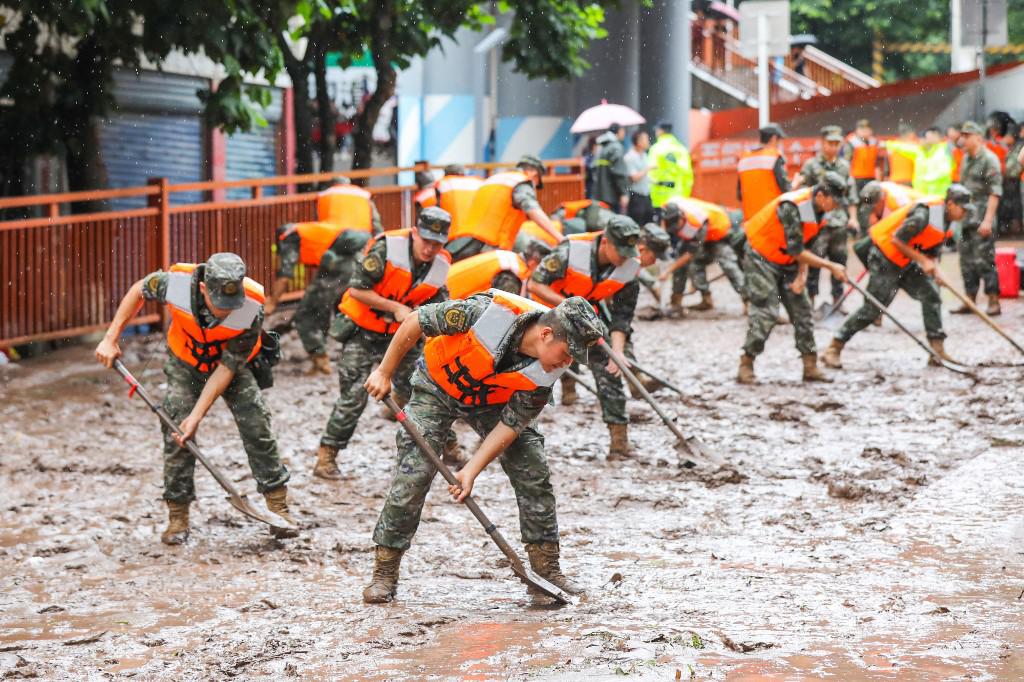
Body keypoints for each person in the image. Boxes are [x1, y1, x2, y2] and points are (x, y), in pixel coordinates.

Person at [360, 293, 607, 604]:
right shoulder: (482, 314)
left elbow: (511, 425)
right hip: (437, 385)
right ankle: (384, 571)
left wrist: (470, 470)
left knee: (531, 464)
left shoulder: (548, 370)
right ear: (546, 334)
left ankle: (546, 570)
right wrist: (384, 372)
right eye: (567, 352)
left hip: (490, 401)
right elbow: (415, 320)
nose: (568, 362)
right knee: (415, 472)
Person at [94, 253, 296, 544]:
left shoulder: (249, 307)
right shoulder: (175, 285)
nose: (227, 312)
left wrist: (198, 415)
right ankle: (178, 516)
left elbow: (227, 367)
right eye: (220, 305)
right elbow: (139, 289)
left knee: (256, 422)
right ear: (204, 289)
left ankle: (279, 508)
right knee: (177, 428)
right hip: (185, 361)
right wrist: (111, 337)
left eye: (232, 305)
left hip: (227, 366)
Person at [313, 208, 453, 480]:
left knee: (424, 389)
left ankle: (449, 446)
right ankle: (326, 456)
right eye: (426, 242)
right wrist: (396, 307)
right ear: (415, 233)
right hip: (363, 331)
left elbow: (440, 304)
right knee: (354, 396)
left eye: (437, 244)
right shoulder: (385, 249)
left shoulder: (441, 265)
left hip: (402, 335)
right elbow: (356, 289)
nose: (430, 249)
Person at [529, 216, 663, 459]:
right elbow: (535, 285)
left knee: (610, 369)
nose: (624, 258)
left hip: (587, 322)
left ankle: (619, 442)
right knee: (529, 379)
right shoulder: (570, 251)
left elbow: (623, 315)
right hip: (545, 318)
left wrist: (619, 351)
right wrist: (571, 307)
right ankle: (506, 436)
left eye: (628, 252)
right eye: (620, 251)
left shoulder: (630, 267)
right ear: (605, 243)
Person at [822, 185, 971, 369]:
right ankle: (834, 347)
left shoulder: (946, 220)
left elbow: (930, 248)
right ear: (950, 204)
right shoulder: (925, 213)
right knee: (872, 309)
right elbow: (897, 239)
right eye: (962, 208)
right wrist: (923, 261)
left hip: (906, 260)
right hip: (885, 258)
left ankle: (937, 350)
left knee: (931, 294)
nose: (964, 213)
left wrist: (935, 269)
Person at [738, 172, 849, 384]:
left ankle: (810, 366)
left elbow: (804, 244)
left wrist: (802, 276)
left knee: (803, 312)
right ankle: (746, 364)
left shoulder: (817, 211)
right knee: (766, 313)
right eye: (834, 201)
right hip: (762, 257)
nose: (836, 207)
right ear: (821, 196)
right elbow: (797, 249)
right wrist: (830, 266)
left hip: (787, 261)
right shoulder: (793, 206)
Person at [266, 178, 383, 374]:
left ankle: (321, 360)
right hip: (363, 254)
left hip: (339, 261)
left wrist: (272, 301)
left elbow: (285, 273)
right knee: (346, 308)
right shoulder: (361, 197)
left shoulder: (291, 236)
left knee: (307, 315)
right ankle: (363, 356)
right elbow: (378, 230)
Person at [447, 155, 563, 261]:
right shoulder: (521, 182)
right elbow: (532, 209)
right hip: (488, 248)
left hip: (463, 245)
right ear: (533, 173)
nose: (535, 187)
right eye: (537, 182)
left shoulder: (494, 179)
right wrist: (560, 238)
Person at [794, 125, 858, 309]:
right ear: (822, 143)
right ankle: (811, 301)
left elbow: (851, 194)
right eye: (830, 143)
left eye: (837, 143)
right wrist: (808, 223)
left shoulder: (844, 167)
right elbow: (804, 194)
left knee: (839, 262)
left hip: (839, 223)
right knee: (814, 262)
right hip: (817, 225)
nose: (834, 147)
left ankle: (838, 301)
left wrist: (852, 218)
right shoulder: (811, 165)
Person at [657, 197, 748, 313]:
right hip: (697, 234)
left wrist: (667, 271)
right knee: (690, 265)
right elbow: (663, 225)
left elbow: (690, 254)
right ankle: (679, 300)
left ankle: (748, 301)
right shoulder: (668, 208)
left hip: (719, 233)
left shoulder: (697, 221)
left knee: (728, 264)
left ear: (681, 216)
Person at [952, 120, 1003, 316]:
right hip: (966, 219)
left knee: (985, 260)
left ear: (978, 138)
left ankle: (993, 300)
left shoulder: (989, 159)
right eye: (962, 136)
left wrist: (988, 220)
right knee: (966, 262)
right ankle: (970, 300)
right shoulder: (966, 159)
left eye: (967, 136)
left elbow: (995, 192)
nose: (963, 139)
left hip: (982, 218)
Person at [446, 240, 552, 300]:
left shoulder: (508, 258)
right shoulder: (514, 275)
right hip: (448, 301)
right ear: (533, 263)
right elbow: (500, 309)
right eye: (542, 270)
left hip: (446, 290)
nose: (542, 275)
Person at [737, 123, 790, 221]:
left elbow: (740, 195)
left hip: (751, 222)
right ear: (774, 138)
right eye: (779, 141)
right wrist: (796, 182)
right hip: (771, 219)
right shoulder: (774, 157)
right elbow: (786, 189)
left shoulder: (743, 159)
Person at [648, 121, 694, 210]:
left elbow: (651, 173)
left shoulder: (656, 148)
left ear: (660, 131)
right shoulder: (681, 149)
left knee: (660, 223)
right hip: (678, 197)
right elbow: (688, 174)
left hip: (659, 198)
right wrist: (685, 195)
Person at [857, 180, 923, 235]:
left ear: (881, 200)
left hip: (923, 211)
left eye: (874, 208)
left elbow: (905, 227)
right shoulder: (880, 188)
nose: (873, 211)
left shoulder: (896, 201)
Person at [434, 164, 483, 235]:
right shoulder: (478, 181)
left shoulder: (443, 183)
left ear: (446, 174)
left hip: (453, 234)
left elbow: (436, 210)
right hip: (479, 232)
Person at [591, 123, 630, 212]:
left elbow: (593, 169)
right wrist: (623, 193)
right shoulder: (616, 147)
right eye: (623, 131)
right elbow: (618, 173)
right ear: (618, 132)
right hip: (612, 196)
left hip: (597, 194)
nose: (624, 133)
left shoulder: (600, 146)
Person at [843, 119, 885, 192]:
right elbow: (846, 162)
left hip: (871, 178)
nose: (865, 131)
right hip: (856, 178)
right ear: (857, 131)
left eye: (867, 129)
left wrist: (878, 179)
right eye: (862, 129)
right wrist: (849, 178)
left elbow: (877, 163)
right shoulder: (851, 143)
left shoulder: (874, 143)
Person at [623, 129, 654, 225]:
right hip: (636, 196)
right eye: (645, 139)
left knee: (649, 222)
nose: (648, 141)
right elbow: (634, 177)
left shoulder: (644, 155)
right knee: (637, 224)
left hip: (646, 194)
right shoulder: (629, 157)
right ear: (638, 142)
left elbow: (645, 176)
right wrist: (647, 169)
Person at [913, 127, 954, 197]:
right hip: (927, 195)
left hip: (940, 195)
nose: (927, 139)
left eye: (928, 136)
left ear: (936, 135)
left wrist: (927, 178)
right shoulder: (927, 152)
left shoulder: (945, 150)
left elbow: (946, 170)